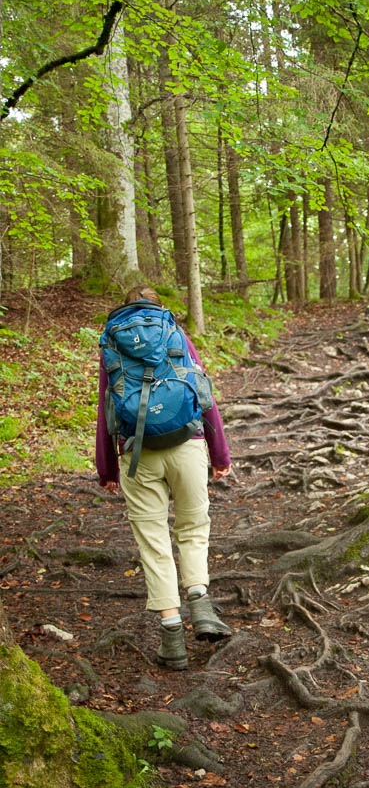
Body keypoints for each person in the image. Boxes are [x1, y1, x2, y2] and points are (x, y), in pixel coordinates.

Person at [96, 285, 232, 670]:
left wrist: (106, 468)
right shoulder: (174, 332)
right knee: (192, 527)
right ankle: (201, 604)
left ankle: (172, 637)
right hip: (187, 443)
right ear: (159, 308)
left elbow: (106, 407)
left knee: (154, 541)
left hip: (137, 453)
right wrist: (220, 453)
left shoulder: (114, 343)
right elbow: (204, 393)